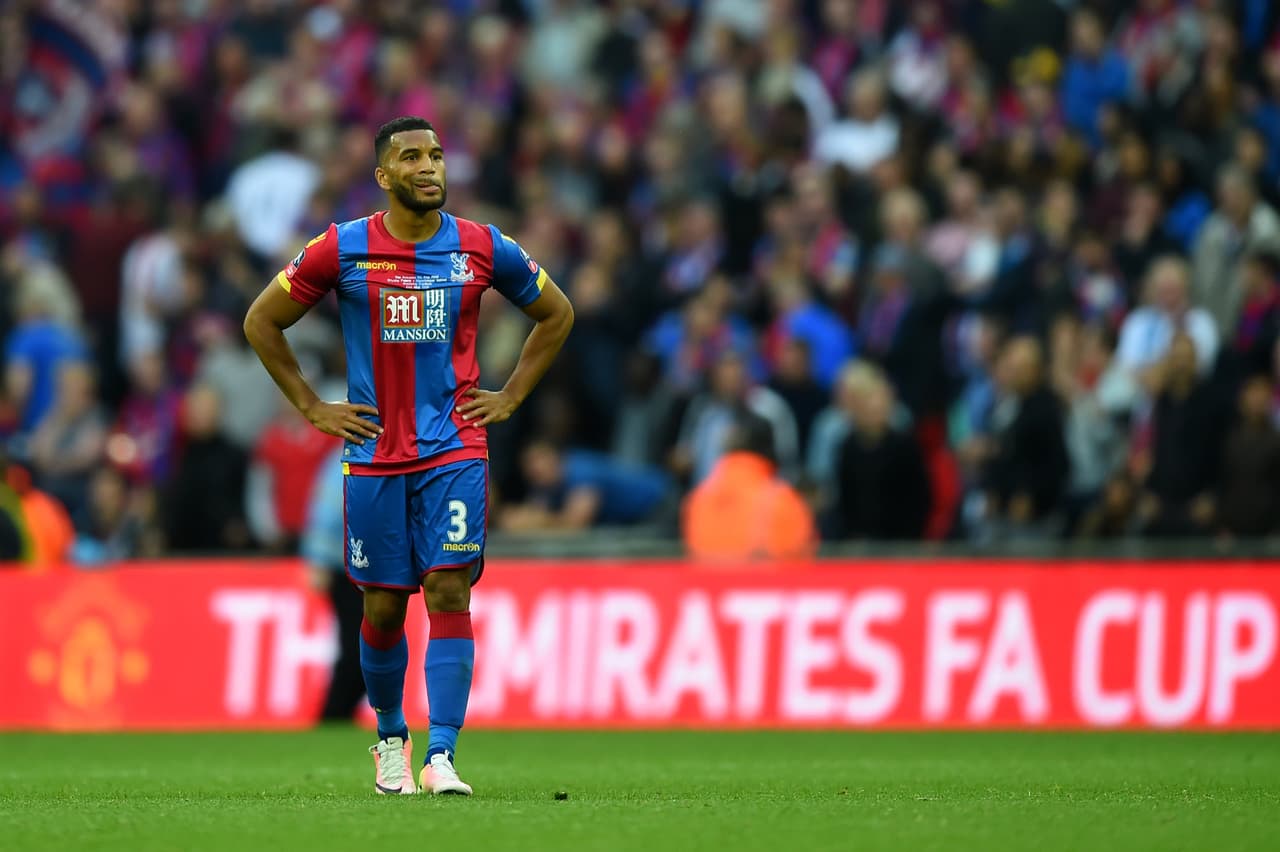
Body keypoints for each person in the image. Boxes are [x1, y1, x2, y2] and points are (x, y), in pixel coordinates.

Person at [243, 116, 572, 795]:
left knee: (449, 587)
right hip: (371, 455)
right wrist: (311, 406)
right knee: (384, 609)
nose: (429, 167)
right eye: (411, 157)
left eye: (437, 155)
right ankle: (390, 735)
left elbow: (557, 313)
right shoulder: (343, 248)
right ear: (384, 176)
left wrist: (509, 396)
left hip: (454, 447)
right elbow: (261, 320)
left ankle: (443, 754)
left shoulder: (481, 247)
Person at [682, 413, 817, 561]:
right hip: (766, 582)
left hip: (706, 583)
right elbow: (803, 569)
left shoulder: (697, 500)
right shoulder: (785, 501)